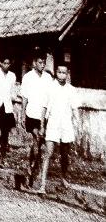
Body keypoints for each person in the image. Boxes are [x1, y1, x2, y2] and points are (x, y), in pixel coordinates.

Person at [34, 62, 79, 194]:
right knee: (48, 153)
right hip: (52, 124)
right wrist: (42, 126)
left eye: (64, 72)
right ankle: (42, 185)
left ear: (67, 74)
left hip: (66, 125)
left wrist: (76, 124)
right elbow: (44, 108)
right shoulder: (50, 88)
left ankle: (63, 178)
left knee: (65, 155)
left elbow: (75, 108)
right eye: (59, 72)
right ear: (56, 72)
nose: (61, 75)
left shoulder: (71, 90)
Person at [20, 50, 53, 187]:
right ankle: (31, 166)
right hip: (31, 114)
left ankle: (31, 165)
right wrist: (22, 114)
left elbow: (50, 98)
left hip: (43, 115)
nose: (42, 65)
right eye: (40, 62)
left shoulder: (48, 78)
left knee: (39, 144)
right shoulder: (28, 77)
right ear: (34, 63)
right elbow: (25, 97)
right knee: (37, 138)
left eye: (44, 62)